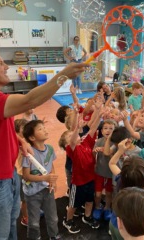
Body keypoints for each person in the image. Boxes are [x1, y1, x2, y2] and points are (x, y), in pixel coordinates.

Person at [0, 48, 87, 240]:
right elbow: (30, 99)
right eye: (1, 63)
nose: (6, 66)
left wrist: (20, 140)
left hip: (7, 175)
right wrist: (64, 74)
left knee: (10, 227)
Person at [60, 98, 103, 234]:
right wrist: (77, 128)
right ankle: (68, 220)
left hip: (90, 179)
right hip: (77, 183)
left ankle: (87, 217)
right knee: (73, 205)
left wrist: (99, 113)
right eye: (69, 137)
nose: (73, 136)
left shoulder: (85, 143)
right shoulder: (71, 149)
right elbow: (72, 140)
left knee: (89, 201)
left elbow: (93, 128)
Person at [22, 120, 62, 240]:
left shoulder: (49, 149)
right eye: (40, 129)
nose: (45, 130)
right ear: (32, 137)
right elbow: (26, 176)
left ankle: (53, 236)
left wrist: (52, 180)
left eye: (44, 127)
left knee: (53, 217)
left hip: (47, 190)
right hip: (32, 193)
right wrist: (45, 178)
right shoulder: (28, 154)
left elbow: (51, 166)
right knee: (33, 222)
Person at [92, 119, 117, 221]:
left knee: (109, 193)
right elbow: (93, 156)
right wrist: (95, 151)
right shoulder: (99, 141)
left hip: (110, 174)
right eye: (105, 128)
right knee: (97, 194)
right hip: (99, 172)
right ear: (101, 131)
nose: (108, 131)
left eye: (111, 129)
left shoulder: (115, 143)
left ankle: (107, 208)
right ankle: (97, 207)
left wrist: (107, 151)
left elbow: (115, 159)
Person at [14, 118, 29, 226]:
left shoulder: (26, 140)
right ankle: (25, 218)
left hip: (29, 173)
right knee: (25, 199)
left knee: (30, 196)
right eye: (24, 128)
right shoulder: (18, 142)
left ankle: (29, 213)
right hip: (22, 174)